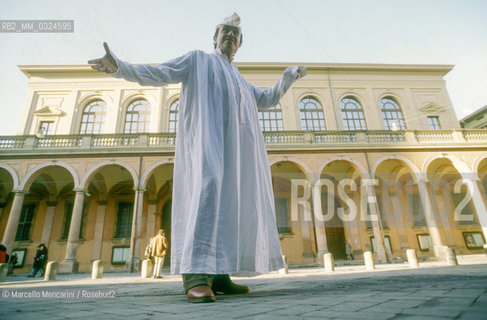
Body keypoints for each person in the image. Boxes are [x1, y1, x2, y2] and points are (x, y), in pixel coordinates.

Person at [88, 13, 306, 303]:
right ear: (214, 38)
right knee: (208, 187)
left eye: (235, 34)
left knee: (231, 201)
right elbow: (160, 73)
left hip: (236, 153)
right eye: (224, 31)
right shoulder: (197, 60)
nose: (229, 35)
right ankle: (194, 275)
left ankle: (219, 274)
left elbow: (266, 99)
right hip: (206, 143)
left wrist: (289, 75)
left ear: (240, 44)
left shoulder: (240, 79)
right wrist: (120, 67)